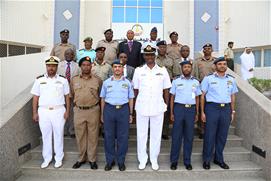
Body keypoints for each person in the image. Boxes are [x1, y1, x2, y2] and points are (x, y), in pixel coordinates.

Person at [133, 44, 171, 171]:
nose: (149, 57)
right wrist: (134, 106)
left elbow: (166, 90)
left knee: (156, 134)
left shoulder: (162, 70)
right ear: (144, 56)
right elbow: (135, 90)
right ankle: (142, 159)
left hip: (157, 106)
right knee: (141, 134)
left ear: (155, 55)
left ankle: (154, 158)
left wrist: (165, 104)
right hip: (142, 106)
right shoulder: (138, 71)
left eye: (151, 54)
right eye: (146, 54)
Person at [31, 56, 70, 169]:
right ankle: (47, 158)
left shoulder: (63, 80)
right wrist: (34, 113)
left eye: (53, 66)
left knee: (58, 135)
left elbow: (67, 97)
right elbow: (35, 97)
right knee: (45, 135)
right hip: (43, 111)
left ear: (57, 67)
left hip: (59, 110)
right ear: (46, 66)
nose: (51, 68)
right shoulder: (39, 80)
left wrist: (67, 111)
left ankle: (58, 158)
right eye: (49, 66)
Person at [201, 57, 238, 170]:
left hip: (226, 109)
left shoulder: (231, 80)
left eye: (224, 64)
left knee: (222, 136)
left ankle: (219, 159)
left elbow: (232, 96)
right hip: (212, 108)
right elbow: (202, 96)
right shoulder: (208, 79)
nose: (222, 66)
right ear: (215, 66)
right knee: (209, 135)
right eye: (220, 64)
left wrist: (232, 111)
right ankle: (206, 160)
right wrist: (202, 112)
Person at [100, 59, 134, 171]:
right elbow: (103, 99)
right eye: (115, 67)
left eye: (119, 67)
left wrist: (130, 113)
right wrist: (102, 114)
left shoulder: (127, 82)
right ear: (112, 69)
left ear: (122, 68)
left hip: (123, 110)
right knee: (109, 136)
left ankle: (121, 161)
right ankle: (109, 161)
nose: (117, 69)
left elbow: (130, 99)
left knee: (122, 137)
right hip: (109, 110)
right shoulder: (106, 82)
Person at [71, 56, 102, 170]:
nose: (86, 67)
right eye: (83, 65)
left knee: (93, 136)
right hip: (79, 110)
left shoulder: (97, 80)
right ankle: (81, 158)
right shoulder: (74, 79)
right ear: (80, 66)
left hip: (93, 110)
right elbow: (72, 94)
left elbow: (100, 95)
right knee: (80, 136)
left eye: (88, 65)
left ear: (91, 66)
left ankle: (92, 159)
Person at [169, 60, 201, 171]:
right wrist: (172, 112)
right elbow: (172, 97)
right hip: (179, 109)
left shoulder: (196, 82)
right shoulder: (176, 81)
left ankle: (187, 161)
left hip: (191, 110)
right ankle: (174, 161)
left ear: (191, 68)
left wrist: (197, 112)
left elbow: (197, 98)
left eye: (188, 67)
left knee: (189, 137)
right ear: (181, 69)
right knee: (176, 136)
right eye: (185, 67)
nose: (187, 68)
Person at [156, 40, 181, 140]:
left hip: (168, 87)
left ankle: (165, 132)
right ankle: (155, 130)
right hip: (156, 87)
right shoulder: (153, 59)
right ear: (157, 49)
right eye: (160, 47)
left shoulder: (171, 60)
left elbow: (175, 74)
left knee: (166, 109)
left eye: (164, 47)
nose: (162, 49)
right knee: (156, 108)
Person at [192, 43, 216, 139]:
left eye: (209, 48)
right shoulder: (198, 61)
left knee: (209, 109)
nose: (207, 50)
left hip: (212, 89)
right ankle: (201, 129)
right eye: (205, 49)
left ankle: (208, 128)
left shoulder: (215, 61)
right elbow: (195, 74)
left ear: (211, 50)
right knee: (200, 108)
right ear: (203, 50)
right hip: (201, 87)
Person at [57, 48, 80, 137]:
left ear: (73, 55)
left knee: (71, 111)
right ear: (64, 55)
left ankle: (71, 130)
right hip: (61, 92)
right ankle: (63, 130)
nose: (68, 56)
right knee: (61, 111)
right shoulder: (59, 65)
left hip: (72, 92)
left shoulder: (77, 66)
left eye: (70, 54)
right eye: (67, 54)